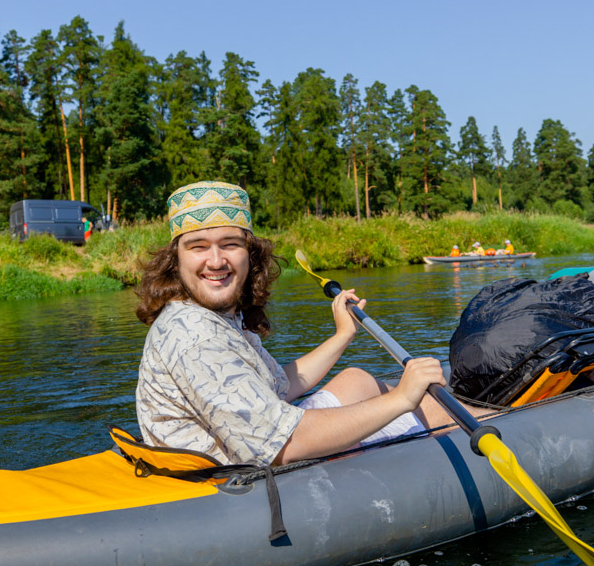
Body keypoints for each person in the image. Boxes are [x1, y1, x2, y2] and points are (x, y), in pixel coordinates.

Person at [135, 180, 473, 467]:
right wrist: (401, 399)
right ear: (174, 259)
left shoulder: (214, 313)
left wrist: (343, 334)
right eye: (198, 247)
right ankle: (491, 422)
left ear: (249, 254)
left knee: (357, 379)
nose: (216, 260)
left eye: (230, 244)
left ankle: (469, 412)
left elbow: (280, 384)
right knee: (424, 410)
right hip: (237, 479)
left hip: (251, 448)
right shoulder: (195, 336)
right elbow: (285, 444)